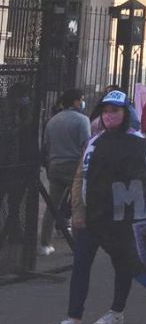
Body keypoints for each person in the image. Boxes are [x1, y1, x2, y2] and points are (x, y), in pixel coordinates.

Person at [46, 91, 143, 324]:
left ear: (126, 113)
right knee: (81, 264)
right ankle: (73, 319)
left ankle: (117, 310)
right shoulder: (94, 141)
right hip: (91, 216)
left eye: (116, 111)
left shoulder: (138, 141)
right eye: (106, 111)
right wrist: (78, 209)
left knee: (122, 264)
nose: (110, 115)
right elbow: (81, 175)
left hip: (119, 218)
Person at [39, 88, 89, 256]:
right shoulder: (82, 120)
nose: (82, 102)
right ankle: (78, 244)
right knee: (78, 206)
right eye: (81, 99)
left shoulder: (53, 121)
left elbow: (46, 145)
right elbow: (86, 146)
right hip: (74, 166)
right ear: (75, 101)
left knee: (52, 205)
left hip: (55, 165)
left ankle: (45, 243)